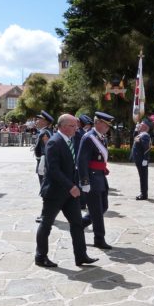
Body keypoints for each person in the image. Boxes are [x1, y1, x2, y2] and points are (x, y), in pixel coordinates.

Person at [35, 114, 98, 267]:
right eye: (72, 126)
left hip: (71, 193)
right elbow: (54, 170)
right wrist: (71, 186)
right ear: (62, 126)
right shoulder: (54, 143)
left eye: (76, 125)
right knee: (46, 224)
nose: (76, 128)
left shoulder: (72, 140)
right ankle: (40, 256)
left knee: (77, 223)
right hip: (55, 193)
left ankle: (81, 255)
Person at [77, 112, 114, 250]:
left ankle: (78, 225)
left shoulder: (101, 137)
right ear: (97, 122)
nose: (107, 128)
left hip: (100, 177)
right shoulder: (88, 138)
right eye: (106, 125)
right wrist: (85, 181)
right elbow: (82, 161)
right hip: (92, 178)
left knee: (103, 207)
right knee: (97, 211)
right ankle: (99, 238)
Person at [34, 110, 54, 223]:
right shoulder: (45, 131)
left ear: (45, 121)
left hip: (44, 163)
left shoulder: (45, 133)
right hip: (43, 162)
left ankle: (46, 215)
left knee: (45, 189)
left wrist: (43, 166)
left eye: (39, 119)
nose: (36, 121)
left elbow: (46, 151)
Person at [130, 118, 153, 200]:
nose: (140, 125)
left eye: (142, 124)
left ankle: (143, 194)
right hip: (139, 159)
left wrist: (145, 159)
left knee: (143, 177)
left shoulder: (145, 136)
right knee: (142, 176)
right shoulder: (141, 134)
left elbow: (146, 148)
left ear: (145, 127)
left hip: (142, 160)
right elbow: (134, 137)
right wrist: (136, 129)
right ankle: (143, 193)